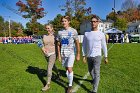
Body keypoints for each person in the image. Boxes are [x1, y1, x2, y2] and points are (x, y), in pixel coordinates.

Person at [82, 15, 108, 93]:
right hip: (89, 56)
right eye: (92, 21)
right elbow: (84, 45)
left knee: (97, 72)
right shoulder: (86, 34)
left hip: (97, 56)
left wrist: (106, 56)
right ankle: (94, 80)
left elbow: (104, 46)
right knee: (90, 71)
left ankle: (94, 90)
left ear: (98, 22)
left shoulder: (101, 34)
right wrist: (84, 55)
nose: (93, 23)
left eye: (95, 21)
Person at [57, 16, 80, 93]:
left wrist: (78, 54)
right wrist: (59, 55)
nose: (63, 22)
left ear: (69, 21)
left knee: (69, 69)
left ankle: (70, 86)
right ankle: (71, 80)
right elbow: (58, 44)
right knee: (67, 70)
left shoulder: (73, 31)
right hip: (63, 54)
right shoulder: (60, 32)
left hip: (71, 53)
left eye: (65, 21)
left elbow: (77, 43)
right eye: (62, 21)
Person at [41, 24, 60, 91]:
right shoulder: (44, 36)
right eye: (46, 28)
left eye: (48, 28)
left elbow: (58, 45)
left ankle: (47, 84)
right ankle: (58, 73)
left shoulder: (55, 36)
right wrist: (43, 49)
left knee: (49, 67)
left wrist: (59, 55)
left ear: (52, 28)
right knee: (53, 66)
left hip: (53, 53)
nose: (47, 30)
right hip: (46, 54)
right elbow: (41, 44)